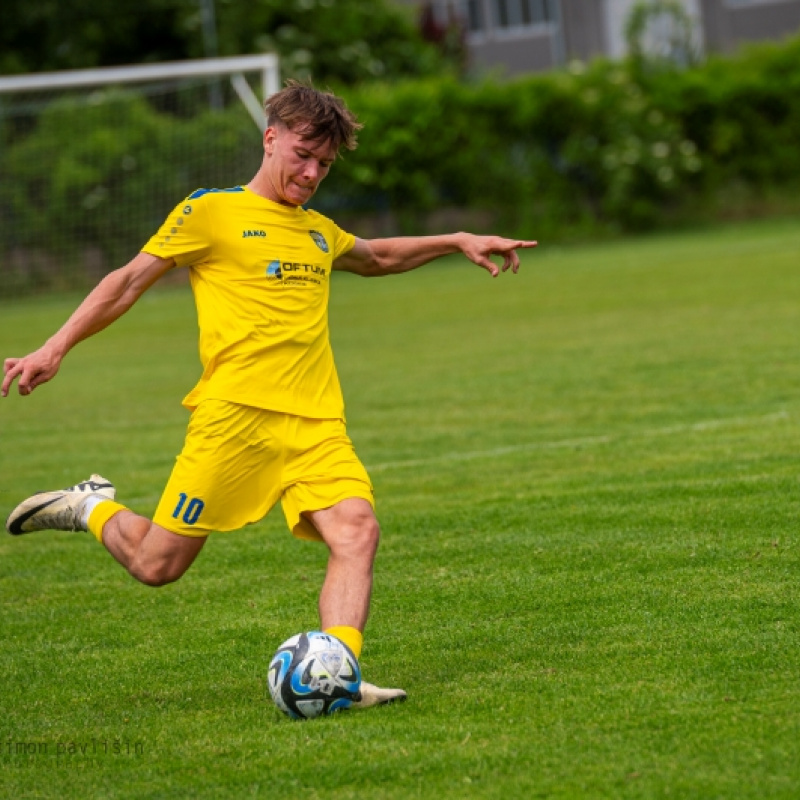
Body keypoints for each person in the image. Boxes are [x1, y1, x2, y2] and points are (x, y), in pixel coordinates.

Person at [3, 80, 537, 709]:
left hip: (316, 423)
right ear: (271, 138)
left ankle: (337, 675)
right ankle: (89, 506)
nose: (311, 174)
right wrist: (54, 346)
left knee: (357, 530)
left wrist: (456, 241)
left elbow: (375, 257)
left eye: (324, 165)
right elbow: (125, 283)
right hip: (234, 421)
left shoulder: (316, 232)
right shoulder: (211, 211)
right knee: (157, 566)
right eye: (302, 156)